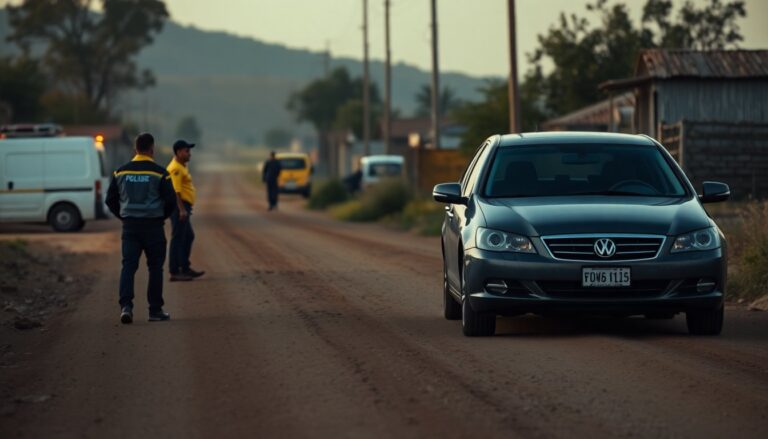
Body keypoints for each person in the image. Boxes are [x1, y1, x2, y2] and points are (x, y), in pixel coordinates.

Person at [106, 133, 176, 324]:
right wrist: (161, 216)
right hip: (153, 227)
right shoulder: (160, 173)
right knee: (155, 268)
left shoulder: (120, 172)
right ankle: (155, 311)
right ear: (151, 149)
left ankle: (126, 307)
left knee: (128, 266)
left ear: (135, 149)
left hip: (130, 227)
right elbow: (171, 201)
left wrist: (124, 216)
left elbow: (110, 200)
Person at [167, 139, 205, 282]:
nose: (190, 154)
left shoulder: (182, 166)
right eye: (187, 151)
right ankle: (174, 271)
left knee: (188, 236)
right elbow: (175, 191)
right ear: (178, 152)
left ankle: (184, 267)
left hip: (183, 206)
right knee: (177, 238)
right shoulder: (175, 168)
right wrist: (182, 210)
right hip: (179, 206)